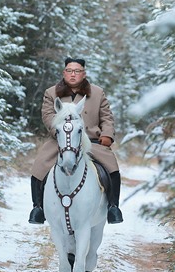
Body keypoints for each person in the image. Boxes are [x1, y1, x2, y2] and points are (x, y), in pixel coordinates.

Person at [28, 57, 124, 225]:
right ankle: (38, 208)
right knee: (39, 166)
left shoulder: (97, 93)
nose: (73, 74)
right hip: (61, 140)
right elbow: (48, 116)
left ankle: (113, 207)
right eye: (70, 71)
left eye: (77, 71)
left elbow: (107, 117)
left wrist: (107, 134)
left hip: (92, 141)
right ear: (64, 73)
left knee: (112, 169)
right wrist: (59, 131)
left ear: (84, 73)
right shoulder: (51, 93)